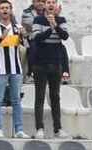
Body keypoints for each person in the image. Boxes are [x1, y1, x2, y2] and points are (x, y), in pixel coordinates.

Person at [0, 0, 27, 139]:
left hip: (16, 69)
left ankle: (19, 130)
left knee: (16, 100)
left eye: (7, 8)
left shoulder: (17, 27)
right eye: (2, 8)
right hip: (0, 69)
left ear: (11, 10)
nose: (4, 10)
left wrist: (24, 35)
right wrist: (1, 37)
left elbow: (26, 45)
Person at [28, 0, 68, 139]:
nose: (51, 5)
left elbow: (65, 36)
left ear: (56, 5)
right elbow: (37, 38)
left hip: (56, 63)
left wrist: (55, 25)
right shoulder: (38, 20)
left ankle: (58, 129)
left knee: (55, 97)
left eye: (53, 2)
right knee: (39, 97)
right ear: (45, 5)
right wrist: (50, 29)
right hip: (40, 64)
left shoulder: (61, 20)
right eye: (48, 2)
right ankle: (39, 128)